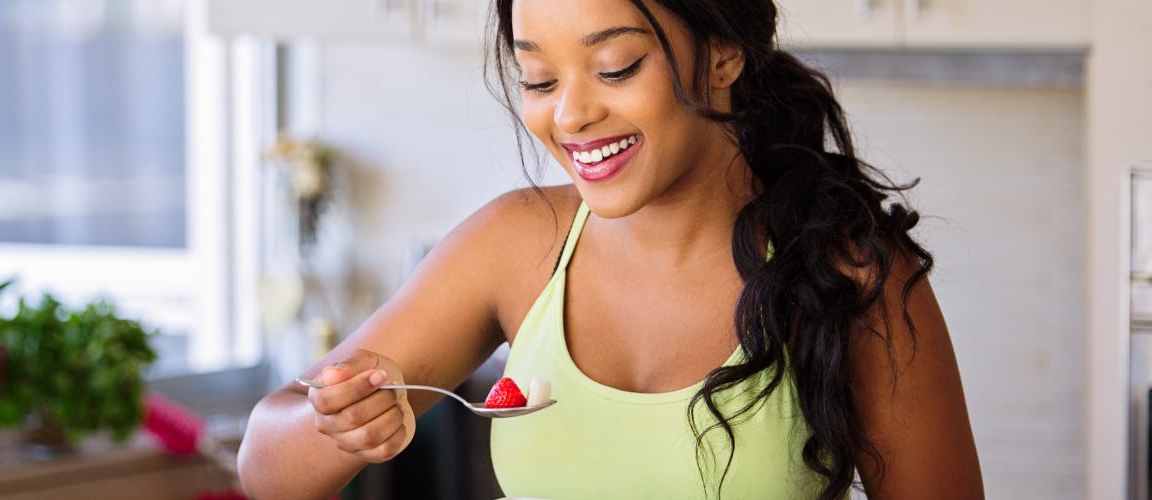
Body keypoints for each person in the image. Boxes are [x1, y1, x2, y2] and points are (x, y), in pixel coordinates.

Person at [236, 0, 984, 498]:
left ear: (724, 53)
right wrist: (337, 419)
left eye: (617, 67)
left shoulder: (853, 275)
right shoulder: (516, 243)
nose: (571, 113)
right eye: (537, 77)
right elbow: (265, 463)